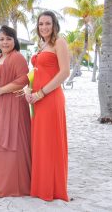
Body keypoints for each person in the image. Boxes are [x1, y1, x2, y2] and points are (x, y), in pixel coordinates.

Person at [25, 11, 70, 201]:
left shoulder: (60, 42)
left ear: (54, 25)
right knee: (40, 142)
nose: (44, 27)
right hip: (36, 100)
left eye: (47, 24)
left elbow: (65, 72)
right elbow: (36, 72)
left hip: (50, 99)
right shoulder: (41, 45)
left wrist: (41, 93)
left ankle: (52, 188)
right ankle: (40, 186)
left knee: (51, 142)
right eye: (41, 24)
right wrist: (28, 89)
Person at [0, 25, 31, 197]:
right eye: (2, 39)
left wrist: (0, 90)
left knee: (11, 139)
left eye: (8, 38)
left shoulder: (17, 57)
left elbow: (23, 80)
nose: (5, 42)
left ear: (15, 41)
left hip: (13, 103)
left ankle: (10, 185)